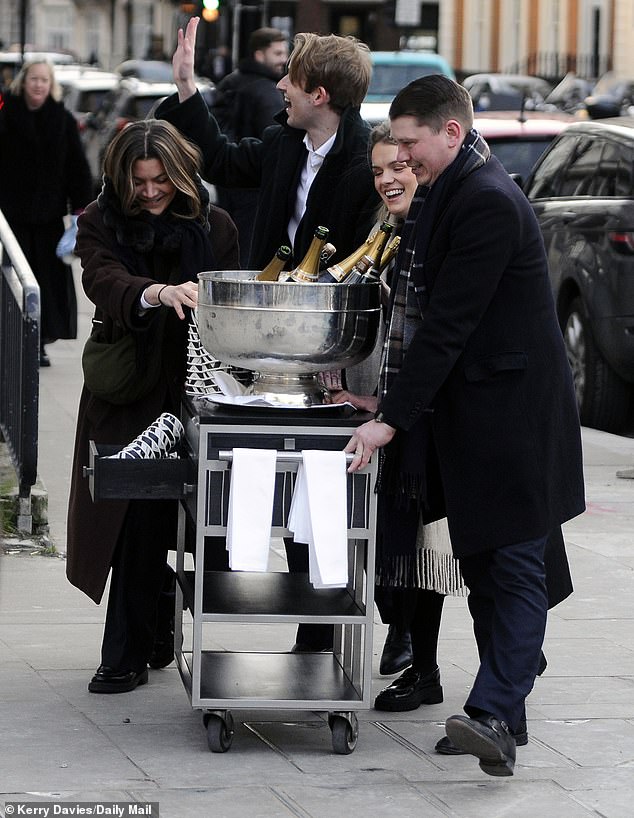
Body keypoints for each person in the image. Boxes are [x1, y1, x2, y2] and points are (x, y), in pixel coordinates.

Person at [344, 75, 585, 777]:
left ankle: (491, 710)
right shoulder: (452, 189)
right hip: (478, 420)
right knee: (485, 570)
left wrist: (390, 418)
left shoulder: (482, 201)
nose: (406, 158)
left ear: (450, 132)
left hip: (511, 422)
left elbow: (446, 327)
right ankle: (503, 711)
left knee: (510, 570)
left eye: (413, 145)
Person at [158, 17, 380, 652]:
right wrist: (186, 90)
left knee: (320, 502)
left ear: (322, 96)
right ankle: (234, 603)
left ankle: (318, 629)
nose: (280, 83)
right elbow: (223, 156)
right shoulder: (285, 142)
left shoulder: (365, 161)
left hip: (331, 353)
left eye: (292, 78)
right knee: (252, 488)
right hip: (265, 344)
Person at [65, 119, 239, 693]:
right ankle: (124, 653)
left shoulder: (215, 226)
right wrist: (158, 293)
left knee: (182, 524)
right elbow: (103, 279)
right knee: (133, 518)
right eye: (138, 182)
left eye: (160, 179)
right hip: (128, 392)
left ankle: (154, 628)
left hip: (196, 392)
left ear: (181, 173)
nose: (150, 191)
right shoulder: (99, 221)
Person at [331, 122, 464, 690]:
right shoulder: (384, 234)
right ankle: (408, 641)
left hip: (428, 412)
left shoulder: (435, 232)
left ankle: (429, 655)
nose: (387, 179)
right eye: (379, 170)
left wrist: (387, 406)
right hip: (384, 405)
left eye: (398, 168)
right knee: (395, 539)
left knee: (429, 544)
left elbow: (440, 335)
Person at [0, 59, 93, 366]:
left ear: (50, 85)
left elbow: (77, 166)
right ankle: (11, 340)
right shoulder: (6, 113)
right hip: (12, 216)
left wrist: (82, 209)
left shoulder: (62, 119)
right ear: (23, 82)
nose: (38, 85)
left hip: (50, 217)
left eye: (44, 80)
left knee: (47, 285)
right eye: (34, 79)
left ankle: (38, 341)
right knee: (11, 280)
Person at [211, 27, 288, 261]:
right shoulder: (269, 93)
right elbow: (278, 142)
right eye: (277, 53)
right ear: (259, 55)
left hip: (227, 182)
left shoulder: (229, 82)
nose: (283, 60)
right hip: (255, 187)